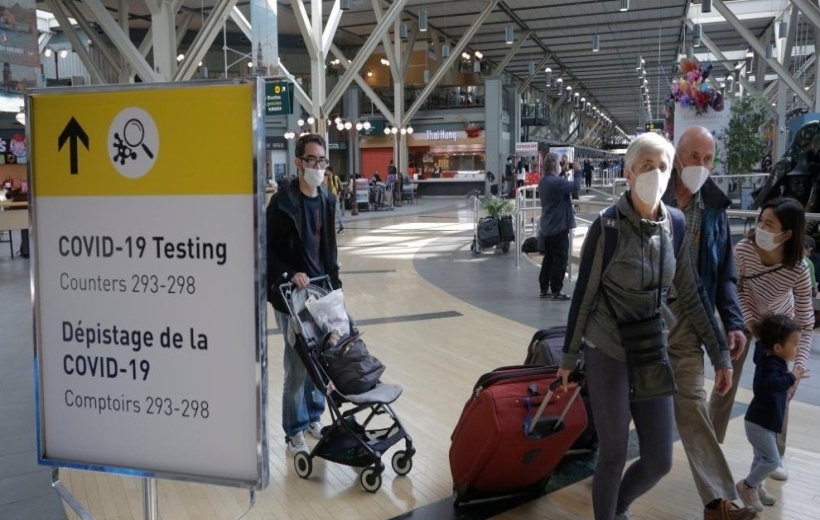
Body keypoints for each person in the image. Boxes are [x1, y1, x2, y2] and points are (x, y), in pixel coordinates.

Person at [559, 132, 730, 520]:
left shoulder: (677, 224)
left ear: (672, 173)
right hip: (607, 347)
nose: (655, 174)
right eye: (646, 166)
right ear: (629, 173)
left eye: (663, 167)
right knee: (615, 450)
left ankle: (618, 505)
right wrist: (569, 358)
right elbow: (584, 293)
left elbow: (692, 291)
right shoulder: (607, 228)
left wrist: (720, 353)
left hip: (651, 346)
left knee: (659, 459)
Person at [662, 126, 756, 520]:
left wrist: (732, 322)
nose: (700, 165)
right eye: (693, 156)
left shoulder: (715, 208)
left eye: (708, 158)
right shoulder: (651, 194)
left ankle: (719, 502)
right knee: (620, 403)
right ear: (677, 157)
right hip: (639, 317)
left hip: (688, 319)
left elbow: (724, 275)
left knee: (691, 402)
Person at [709, 196, 813, 482]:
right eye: (761, 221)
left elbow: (804, 322)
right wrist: (751, 325)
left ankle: (775, 455)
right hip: (744, 318)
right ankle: (709, 442)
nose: (761, 228)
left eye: (770, 224)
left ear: (787, 233)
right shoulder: (743, 251)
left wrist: (799, 367)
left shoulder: (799, 269)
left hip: (780, 325)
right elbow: (734, 289)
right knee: (725, 378)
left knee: (780, 390)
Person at [266, 133, 342, 456]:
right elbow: (265, 250)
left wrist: (336, 291)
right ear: (298, 162)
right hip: (289, 293)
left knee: (319, 356)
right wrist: (287, 273)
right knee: (298, 362)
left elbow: (329, 252)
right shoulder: (282, 202)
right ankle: (294, 430)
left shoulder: (326, 199)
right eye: (311, 160)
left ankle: (313, 417)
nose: (317, 167)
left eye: (322, 161)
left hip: (318, 290)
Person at [734, 314, 806, 512]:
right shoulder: (771, 363)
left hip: (765, 421)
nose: (797, 348)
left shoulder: (773, 359)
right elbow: (770, 385)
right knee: (772, 460)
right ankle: (747, 486)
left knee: (761, 458)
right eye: (794, 344)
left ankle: (756, 487)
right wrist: (792, 377)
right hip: (759, 422)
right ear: (777, 347)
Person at [538, 152, 581, 300]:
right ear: (555, 166)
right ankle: (556, 290)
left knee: (549, 258)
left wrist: (563, 171)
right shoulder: (556, 183)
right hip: (559, 227)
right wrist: (578, 171)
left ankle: (544, 288)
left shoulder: (543, 181)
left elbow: (557, 182)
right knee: (561, 259)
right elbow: (575, 186)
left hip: (547, 227)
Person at [324, 166, 345, 234]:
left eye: (327, 171)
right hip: (327, 197)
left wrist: (338, 195)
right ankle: (330, 228)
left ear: (331, 171)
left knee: (338, 212)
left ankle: (342, 227)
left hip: (335, 197)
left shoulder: (335, 177)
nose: (326, 172)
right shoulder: (325, 178)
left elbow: (340, 187)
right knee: (328, 213)